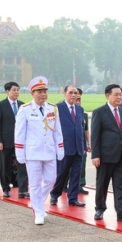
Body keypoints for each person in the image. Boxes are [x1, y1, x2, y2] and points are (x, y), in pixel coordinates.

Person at [14, 76, 64, 225]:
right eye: (39, 91)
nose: (43, 94)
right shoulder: (25, 110)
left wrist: (59, 148)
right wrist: (19, 153)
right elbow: (19, 133)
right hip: (33, 152)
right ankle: (38, 212)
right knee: (35, 183)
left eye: (45, 91)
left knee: (51, 180)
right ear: (32, 93)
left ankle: (37, 204)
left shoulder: (52, 108)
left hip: (49, 151)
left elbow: (57, 131)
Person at [90, 84, 122, 223]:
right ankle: (100, 208)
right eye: (116, 95)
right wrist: (95, 155)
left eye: (120, 95)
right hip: (105, 156)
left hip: (121, 157)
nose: (119, 97)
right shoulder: (100, 112)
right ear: (107, 95)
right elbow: (95, 136)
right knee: (102, 184)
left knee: (121, 186)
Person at [50, 86, 86, 207]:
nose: (73, 95)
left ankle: (73, 198)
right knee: (61, 173)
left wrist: (84, 145)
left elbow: (80, 128)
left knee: (76, 173)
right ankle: (54, 195)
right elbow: (52, 128)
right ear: (65, 93)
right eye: (70, 93)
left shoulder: (80, 109)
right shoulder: (57, 108)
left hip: (78, 147)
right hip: (64, 147)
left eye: (75, 93)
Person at [0, 82, 29, 198]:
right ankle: (6, 188)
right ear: (7, 91)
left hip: (21, 142)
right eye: (14, 90)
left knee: (22, 165)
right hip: (6, 141)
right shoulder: (2, 105)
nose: (16, 92)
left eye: (18, 90)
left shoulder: (23, 106)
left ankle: (23, 190)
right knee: (5, 165)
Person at [76, 88, 91, 195]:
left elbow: (86, 129)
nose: (78, 102)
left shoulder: (83, 113)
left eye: (79, 99)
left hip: (82, 144)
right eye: (76, 99)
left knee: (82, 165)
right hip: (71, 144)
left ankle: (80, 185)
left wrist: (88, 143)